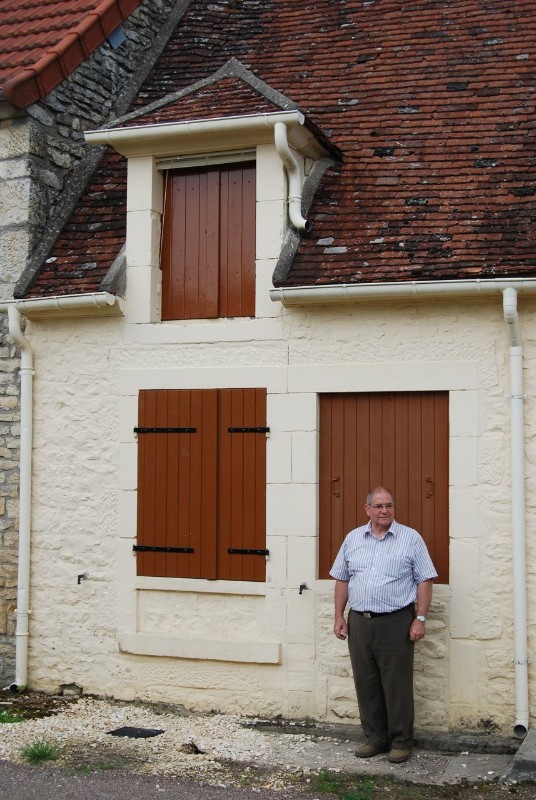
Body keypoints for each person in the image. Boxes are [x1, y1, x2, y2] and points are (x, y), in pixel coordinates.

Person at [330, 486, 437, 764]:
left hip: (396, 622)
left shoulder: (410, 538)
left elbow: (425, 580)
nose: (384, 511)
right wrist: (339, 615)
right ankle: (375, 738)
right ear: (367, 509)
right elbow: (342, 578)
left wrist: (420, 618)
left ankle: (400, 741)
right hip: (359, 622)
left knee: (396, 683)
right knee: (366, 682)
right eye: (378, 506)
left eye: (389, 505)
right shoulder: (353, 538)